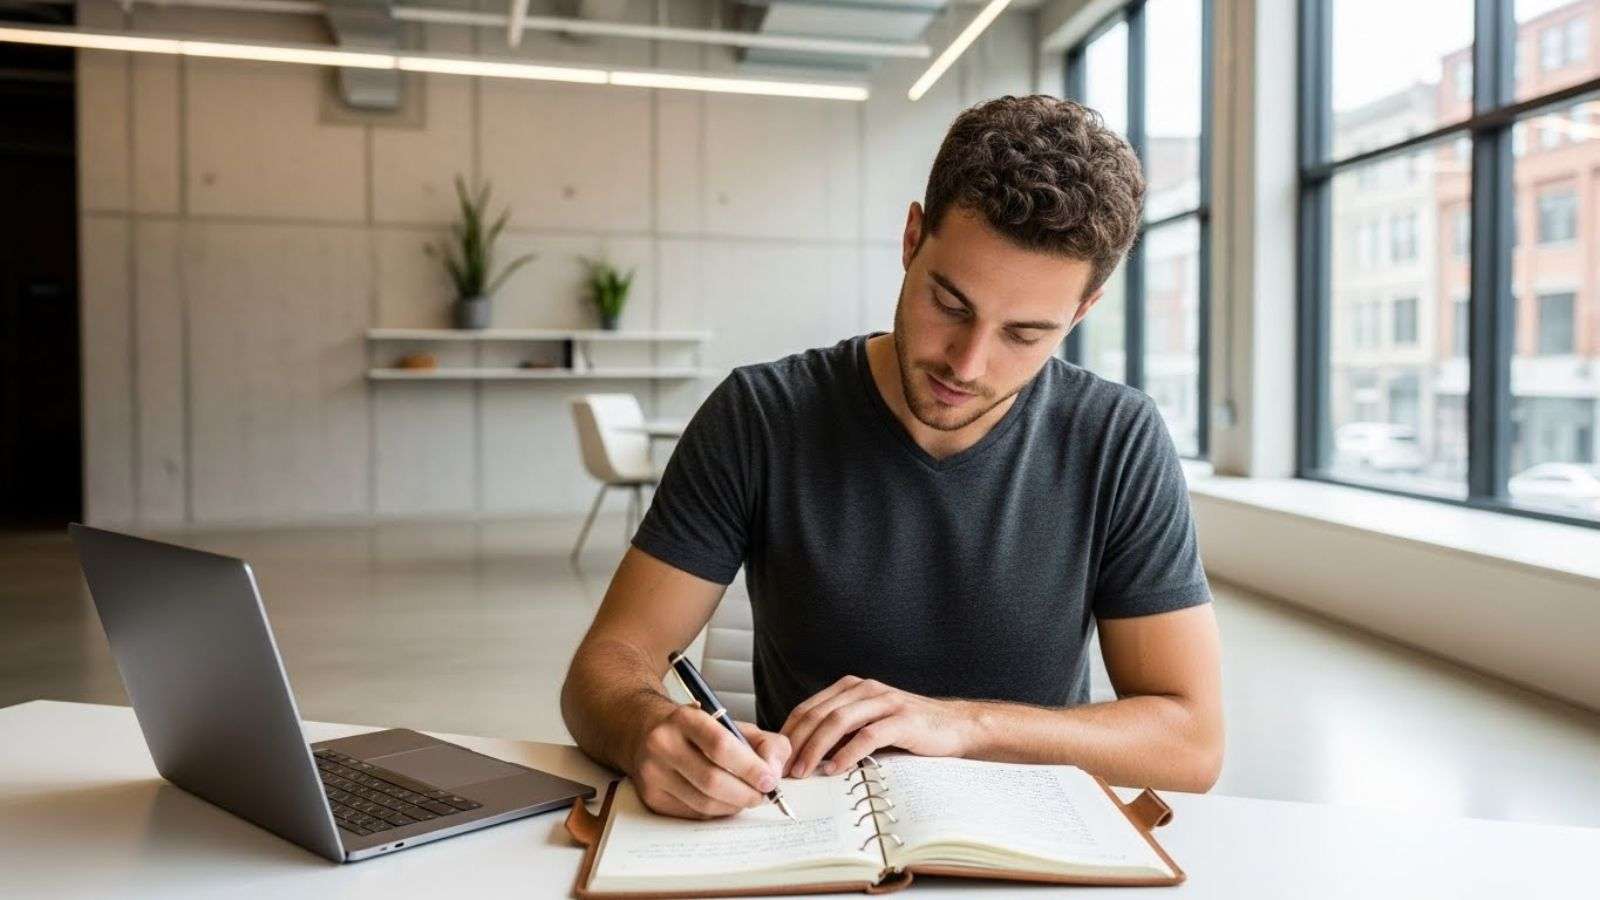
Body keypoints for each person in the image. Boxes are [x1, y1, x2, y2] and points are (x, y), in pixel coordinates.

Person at [561, 94, 1223, 820]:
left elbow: (1190, 742)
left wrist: (963, 725)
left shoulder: (1117, 440)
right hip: (809, 839)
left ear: (1084, 310)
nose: (967, 364)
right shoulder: (761, 415)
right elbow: (608, 663)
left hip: (1030, 846)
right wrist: (646, 729)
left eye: (1024, 335)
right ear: (913, 238)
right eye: (951, 303)